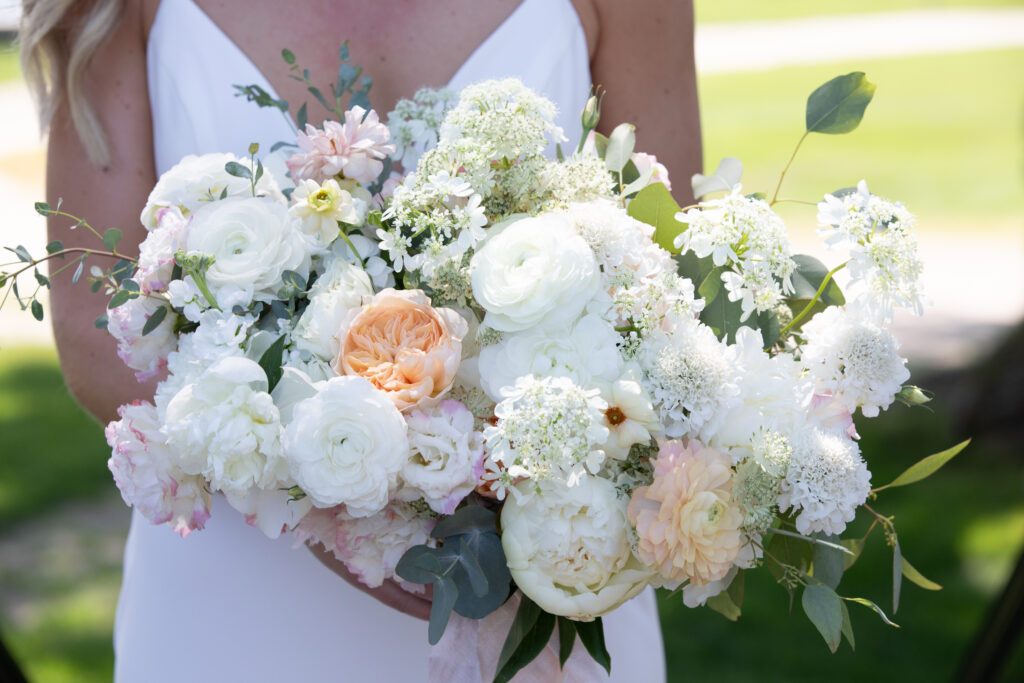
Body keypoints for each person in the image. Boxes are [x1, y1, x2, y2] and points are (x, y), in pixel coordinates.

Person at [21, 0, 702, 679]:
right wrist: (329, 493)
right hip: (237, 597)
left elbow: (668, 269)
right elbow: (95, 322)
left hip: (539, 581)